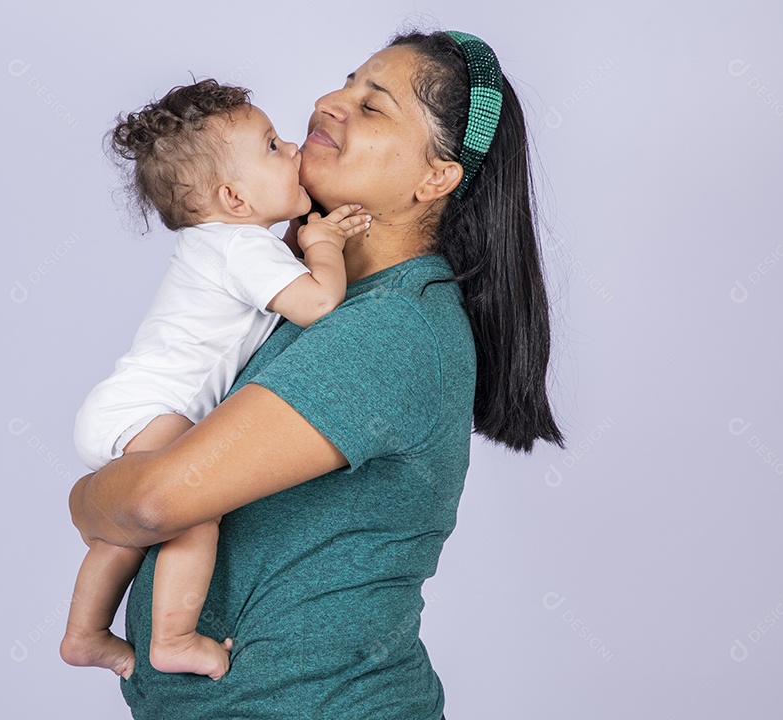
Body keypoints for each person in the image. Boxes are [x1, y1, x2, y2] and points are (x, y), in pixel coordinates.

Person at [69, 29, 567, 720]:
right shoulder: (307, 299)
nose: (329, 103)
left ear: (436, 179)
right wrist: (114, 502)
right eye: (346, 83)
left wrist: (87, 498)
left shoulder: (391, 328)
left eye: (373, 106)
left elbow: (152, 503)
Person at [60, 79, 372, 682]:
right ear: (233, 197)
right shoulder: (239, 250)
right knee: (195, 502)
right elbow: (317, 303)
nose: (292, 146)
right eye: (273, 148)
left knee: (125, 534)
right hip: (153, 406)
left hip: (124, 406)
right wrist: (325, 243)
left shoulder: (225, 245)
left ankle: (84, 634)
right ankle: (173, 638)